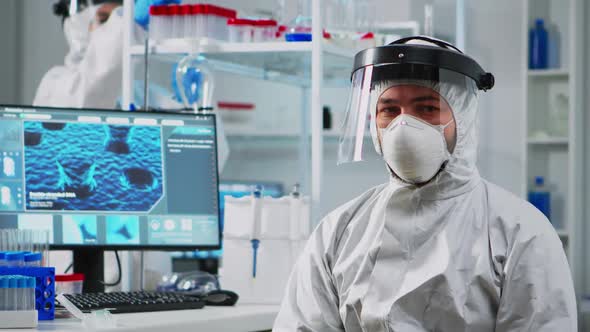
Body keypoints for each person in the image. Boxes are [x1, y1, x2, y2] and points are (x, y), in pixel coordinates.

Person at [274, 36, 577, 331]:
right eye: (389, 110)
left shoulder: (520, 234)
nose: (403, 126)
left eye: (427, 108)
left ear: (463, 116)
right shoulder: (338, 232)